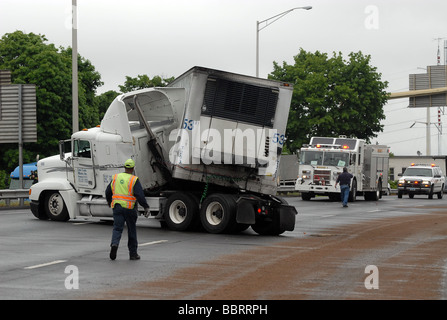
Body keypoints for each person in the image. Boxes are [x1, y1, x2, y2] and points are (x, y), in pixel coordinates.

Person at [105, 158, 150, 260]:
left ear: (124, 167)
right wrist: (146, 206)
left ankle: (114, 244)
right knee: (131, 230)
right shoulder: (134, 180)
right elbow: (140, 195)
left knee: (117, 228)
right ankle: (133, 254)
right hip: (130, 209)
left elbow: (108, 191)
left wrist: (109, 201)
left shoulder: (116, 177)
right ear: (133, 168)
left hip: (117, 207)